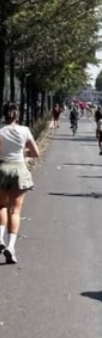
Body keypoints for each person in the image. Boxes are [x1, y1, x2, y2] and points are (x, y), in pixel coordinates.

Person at [0, 104, 40, 264]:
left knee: (1, 205)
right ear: (17, 115)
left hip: (2, 169)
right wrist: (23, 152)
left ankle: (0, 238)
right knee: (15, 211)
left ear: (4, 115)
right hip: (19, 170)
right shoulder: (25, 131)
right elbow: (35, 153)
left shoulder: (1, 131)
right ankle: (10, 246)